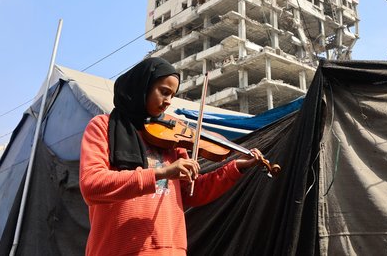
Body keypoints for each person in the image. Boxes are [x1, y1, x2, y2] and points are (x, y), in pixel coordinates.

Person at [79, 57, 264, 256]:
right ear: (143, 86)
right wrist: (160, 173)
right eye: (164, 92)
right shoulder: (102, 126)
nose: (168, 101)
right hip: (116, 250)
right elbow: (92, 185)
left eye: (172, 95)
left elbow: (192, 191)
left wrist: (235, 168)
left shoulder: (172, 137)